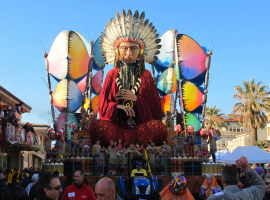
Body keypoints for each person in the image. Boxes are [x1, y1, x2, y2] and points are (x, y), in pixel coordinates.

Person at [89, 9, 167, 147]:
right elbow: (102, 108)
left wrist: (137, 100)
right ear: (117, 51)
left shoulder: (146, 76)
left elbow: (155, 111)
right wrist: (117, 106)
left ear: (141, 51)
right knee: (97, 126)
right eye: (124, 48)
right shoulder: (112, 74)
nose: (129, 53)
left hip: (141, 129)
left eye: (134, 49)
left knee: (158, 128)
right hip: (116, 129)